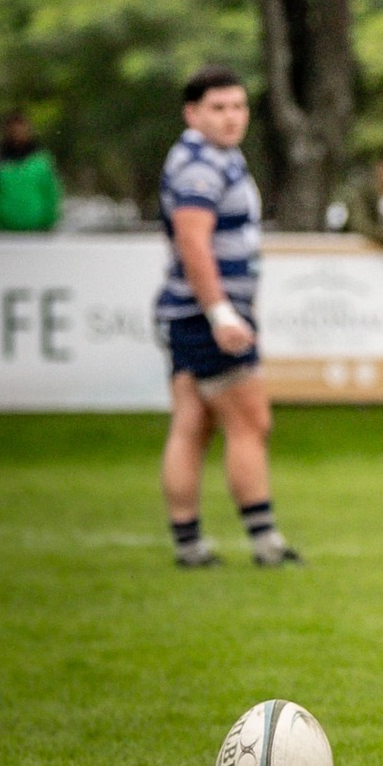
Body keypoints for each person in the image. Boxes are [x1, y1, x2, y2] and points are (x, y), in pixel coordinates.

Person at [155, 67, 299, 569]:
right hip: (205, 316)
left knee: (192, 423)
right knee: (250, 421)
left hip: (190, 314)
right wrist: (220, 312)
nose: (232, 116)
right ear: (192, 113)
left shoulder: (217, 156)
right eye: (218, 107)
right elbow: (193, 243)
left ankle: (188, 543)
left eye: (238, 105)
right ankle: (266, 543)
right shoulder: (199, 165)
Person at [0, 112, 62, 231]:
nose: (18, 135)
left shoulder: (41, 161)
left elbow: (52, 192)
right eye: (14, 131)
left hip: (38, 232)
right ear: (6, 132)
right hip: (2, 234)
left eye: (21, 131)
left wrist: (50, 220)